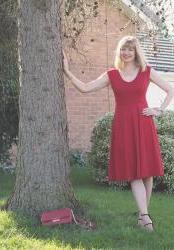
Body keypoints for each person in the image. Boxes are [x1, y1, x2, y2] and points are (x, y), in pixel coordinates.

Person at [63, 35, 174, 231]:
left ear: (136, 52)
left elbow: (170, 89)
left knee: (147, 173)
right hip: (124, 126)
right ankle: (146, 217)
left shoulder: (146, 71)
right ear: (119, 52)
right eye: (123, 49)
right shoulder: (112, 75)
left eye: (130, 49)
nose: (126, 52)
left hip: (144, 124)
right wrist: (67, 71)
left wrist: (159, 109)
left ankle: (142, 216)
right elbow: (85, 88)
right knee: (134, 172)